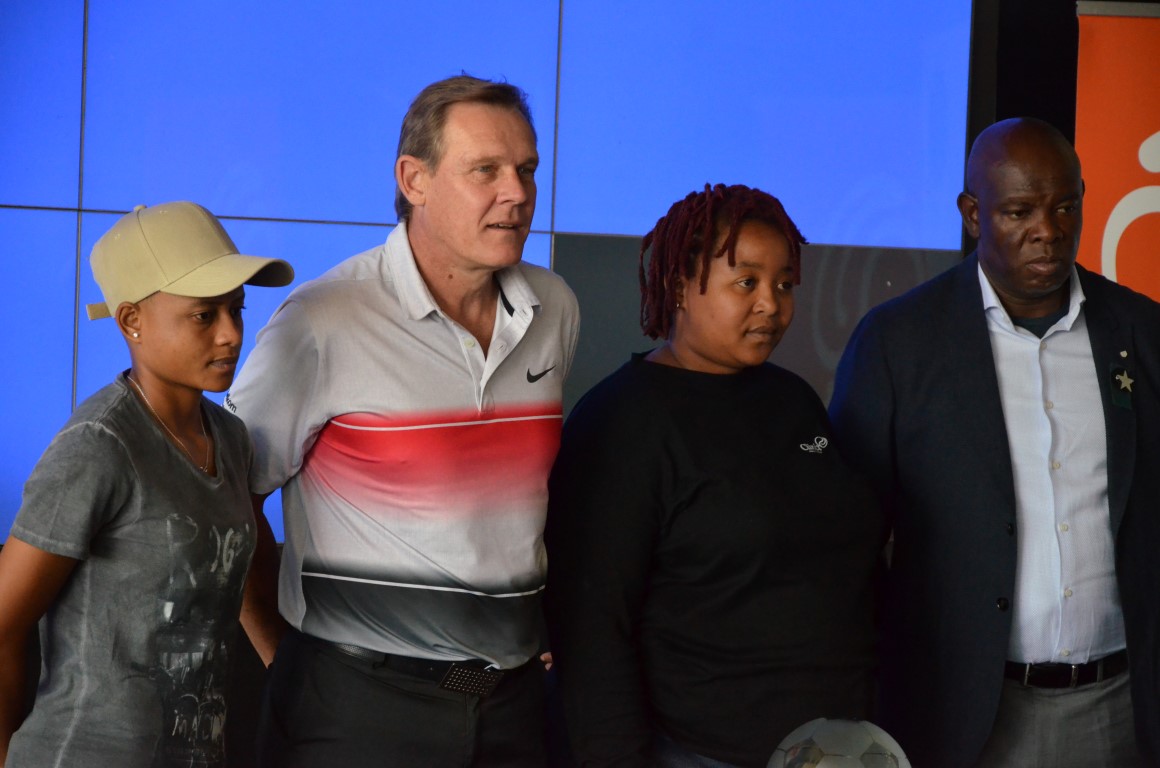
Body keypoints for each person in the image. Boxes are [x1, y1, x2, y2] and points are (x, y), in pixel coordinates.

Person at [227, 74, 580, 767]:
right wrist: (282, 654)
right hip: (356, 708)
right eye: (486, 170)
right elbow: (226, 499)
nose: (517, 192)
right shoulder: (323, 320)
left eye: (527, 169)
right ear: (413, 180)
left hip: (512, 708)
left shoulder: (554, 308)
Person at [829, 118, 1160, 767]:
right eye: (1020, 211)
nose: (1048, 230)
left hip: (1121, 707)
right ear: (973, 214)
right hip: (964, 713)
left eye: (1065, 207)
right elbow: (849, 542)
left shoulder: (1141, 330)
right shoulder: (898, 342)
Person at [543, 183, 883, 768]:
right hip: (698, 751)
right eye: (746, 282)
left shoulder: (794, 400)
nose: (771, 304)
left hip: (834, 748)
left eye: (784, 284)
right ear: (679, 286)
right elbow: (592, 630)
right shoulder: (621, 421)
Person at [0, 201, 293, 767]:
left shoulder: (230, 439)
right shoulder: (99, 445)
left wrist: (289, 681)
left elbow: (231, 575)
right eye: (204, 316)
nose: (232, 335)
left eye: (236, 310)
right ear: (131, 320)